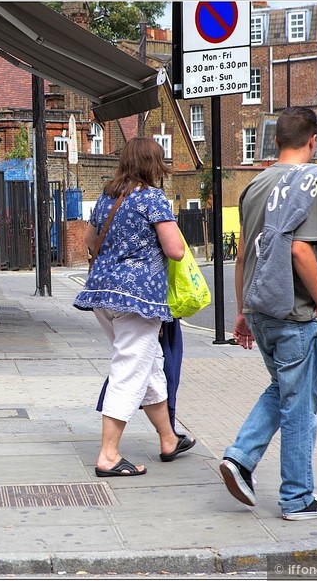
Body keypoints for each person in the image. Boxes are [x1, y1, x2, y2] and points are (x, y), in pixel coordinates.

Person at [222, 107, 317, 520]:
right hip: (295, 313)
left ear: (275, 140)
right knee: (299, 406)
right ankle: (297, 497)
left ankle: (240, 458)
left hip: (260, 309)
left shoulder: (255, 185)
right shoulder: (306, 183)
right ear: (313, 141)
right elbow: (299, 250)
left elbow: (242, 256)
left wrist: (242, 311)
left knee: (282, 389)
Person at [73, 137, 195, 477]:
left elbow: (90, 241)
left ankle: (169, 439)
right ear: (154, 165)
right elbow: (176, 250)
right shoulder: (153, 198)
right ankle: (108, 456)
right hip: (138, 300)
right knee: (129, 370)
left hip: (102, 295)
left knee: (150, 365)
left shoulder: (107, 197)